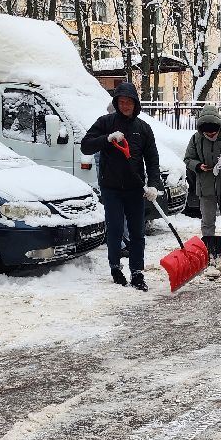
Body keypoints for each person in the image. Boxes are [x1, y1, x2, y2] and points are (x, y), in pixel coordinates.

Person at [81, 81, 164, 291]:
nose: (125, 106)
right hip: (111, 188)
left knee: (137, 232)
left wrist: (153, 185)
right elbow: (86, 145)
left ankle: (137, 272)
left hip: (136, 189)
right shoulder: (106, 122)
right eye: (122, 102)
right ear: (116, 103)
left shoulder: (143, 128)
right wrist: (107, 139)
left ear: (136, 104)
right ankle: (115, 267)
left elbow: (152, 160)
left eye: (129, 102)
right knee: (116, 229)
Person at [183, 104, 221, 241]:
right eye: (207, 133)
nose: (211, 135)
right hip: (206, 186)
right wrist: (198, 166)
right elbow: (188, 158)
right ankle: (210, 248)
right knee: (207, 222)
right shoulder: (196, 139)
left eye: (214, 133)